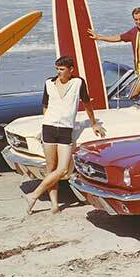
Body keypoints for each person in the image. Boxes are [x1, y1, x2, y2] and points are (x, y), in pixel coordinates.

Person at [24, 56, 106, 215]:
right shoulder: (49, 83)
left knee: (62, 170)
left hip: (65, 130)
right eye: (57, 69)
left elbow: (87, 104)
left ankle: (33, 195)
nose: (58, 72)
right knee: (51, 169)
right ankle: (54, 205)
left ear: (71, 69)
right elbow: (45, 106)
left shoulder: (78, 83)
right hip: (49, 128)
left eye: (62, 69)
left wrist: (94, 123)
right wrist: (46, 121)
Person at [88, 7, 140, 99]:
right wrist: (99, 37)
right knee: (132, 96)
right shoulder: (133, 32)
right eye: (136, 20)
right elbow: (118, 38)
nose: (138, 22)